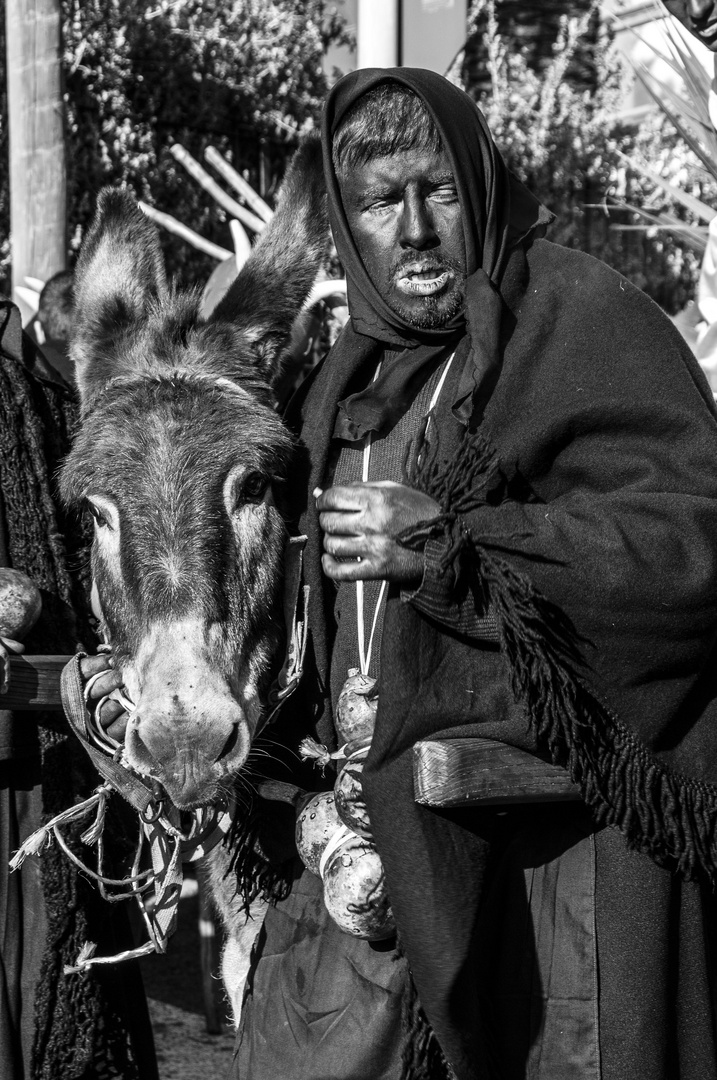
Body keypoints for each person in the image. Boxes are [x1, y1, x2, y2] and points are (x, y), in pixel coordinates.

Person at [227, 69, 717, 1080]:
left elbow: (690, 548)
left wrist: (459, 548)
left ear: (481, 186)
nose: (410, 229)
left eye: (436, 190)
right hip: (396, 853)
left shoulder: (583, 318)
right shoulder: (343, 382)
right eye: (376, 201)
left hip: (570, 848)